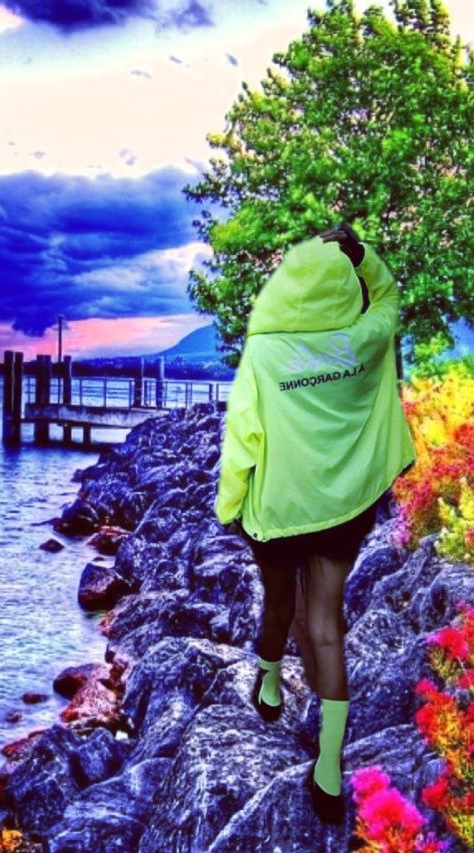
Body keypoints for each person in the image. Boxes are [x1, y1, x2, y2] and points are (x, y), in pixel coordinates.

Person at [213, 222, 416, 824]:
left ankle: (270, 681)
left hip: (277, 511)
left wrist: (229, 506)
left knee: (279, 602)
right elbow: (388, 295)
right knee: (326, 624)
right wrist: (360, 253)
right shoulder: (363, 342)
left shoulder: (264, 353)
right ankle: (328, 769)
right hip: (340, 510)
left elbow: (243, 440)